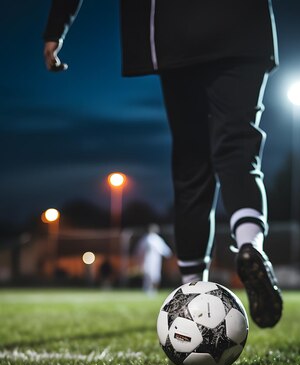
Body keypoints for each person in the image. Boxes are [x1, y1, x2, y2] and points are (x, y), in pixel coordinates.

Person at [43, 0, 283, 328]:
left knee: (192, 161)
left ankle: (192, 295)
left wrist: (57, 27)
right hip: (244, 23)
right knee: (238, 147)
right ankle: (249, 243)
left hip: (175, 30)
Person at [136, 225, 172, 294]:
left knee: (155, 275)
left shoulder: (156, 239)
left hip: (155, 260)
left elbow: (164, 249)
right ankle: (147, 289)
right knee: (148, 274)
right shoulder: (147, 238)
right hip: (148, 259)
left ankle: (153, 290)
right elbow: (140, 250)